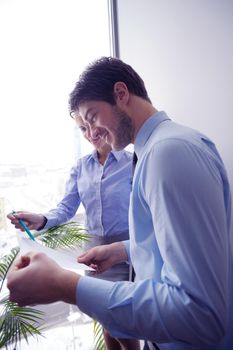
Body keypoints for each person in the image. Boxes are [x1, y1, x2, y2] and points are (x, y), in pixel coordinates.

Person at [7, 57, 233, 350]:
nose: (92, 132)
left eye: (93, 117)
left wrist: (66, 286)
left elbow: (202, 315)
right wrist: (124, 249)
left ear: (121, 94)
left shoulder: (168, 153)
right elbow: (177, 238)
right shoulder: (159, 148)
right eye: (84, 127)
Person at [7, 115, 140, 350]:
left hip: (124, 253)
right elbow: (66, 208)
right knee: (103, 317)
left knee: (121, 320)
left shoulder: (132, 162)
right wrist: (41, 219)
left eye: (92, 124)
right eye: (82, 128)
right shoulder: (80, 167)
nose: (90, 133)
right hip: (93, 255)